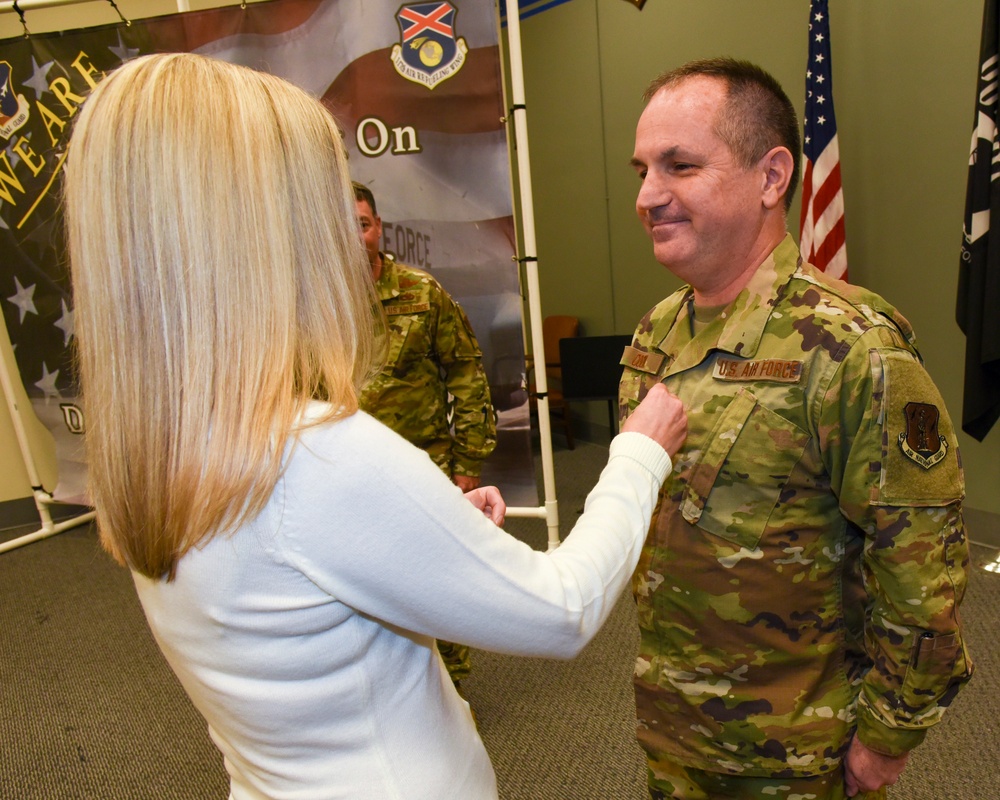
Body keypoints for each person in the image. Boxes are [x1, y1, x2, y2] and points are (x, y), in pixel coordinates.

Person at [64, 53, 688, 800]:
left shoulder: (162, 440)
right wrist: (639, 455)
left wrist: (425, 526)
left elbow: (294, 603)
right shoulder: (310, 459)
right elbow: (562, 611)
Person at [620, 57, 973, 800]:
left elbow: (921, 573)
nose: (649, 195)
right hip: (673, 731)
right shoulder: (658, 332)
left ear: (772, 177)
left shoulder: (851, 347)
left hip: (795, 760)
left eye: (680, 165)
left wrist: (885, 741)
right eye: (643, 169)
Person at [354, 182, 496, 689]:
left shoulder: (421, 293)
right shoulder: (310, 303)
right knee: (363, 580)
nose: (352, 238)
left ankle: (451, 692)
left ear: (379, 229)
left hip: (425, 466)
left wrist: (467, 464)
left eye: (362, 224)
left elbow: (466, 373)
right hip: (346, 473)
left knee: (440, 578)